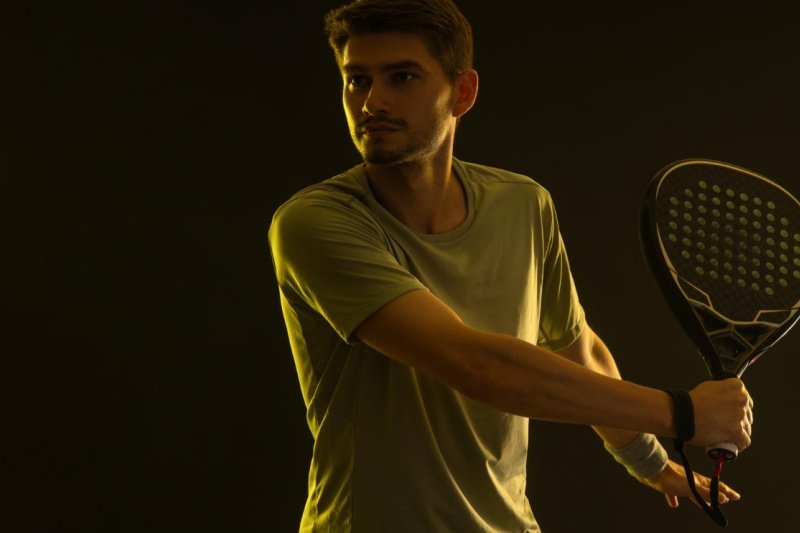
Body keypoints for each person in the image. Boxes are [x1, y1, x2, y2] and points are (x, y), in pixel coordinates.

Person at [268, 0, 754, 531]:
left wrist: (651, 461)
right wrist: (682, 414)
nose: (372, 101)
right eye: (356, 80)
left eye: (401, 76)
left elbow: (579, 349)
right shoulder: (313, 223)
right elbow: (474, 365)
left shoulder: (523, 205)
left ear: (463, 93)